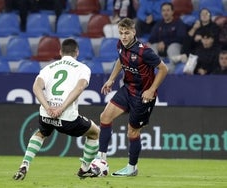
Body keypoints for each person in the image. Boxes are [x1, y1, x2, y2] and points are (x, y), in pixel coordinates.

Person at [13, 38, 100, 180]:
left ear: (60, 52)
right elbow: (79, 88)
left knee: (41, 133)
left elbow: (36, 87)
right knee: (95, 133)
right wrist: (61, 107)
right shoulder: (83, 68)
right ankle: (84, 169)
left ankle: (25, 164)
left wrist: (47, 107)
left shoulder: (48, 68)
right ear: (77, 52)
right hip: (66, 117)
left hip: (46, 115)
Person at [96, 17, 168, 176]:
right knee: (105, 116)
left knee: (132, 132)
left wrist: (151, 90)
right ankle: (100, 159)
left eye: (127, 33)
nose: (123, 36)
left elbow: (164, 69)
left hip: (143, 96)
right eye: (121, 33)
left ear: (134, 32)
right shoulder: (120, 45)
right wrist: (111, 79)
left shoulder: (144, 51)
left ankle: (132, 168)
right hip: (128, 89)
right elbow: (121, 61)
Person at [147, 2, 187, 73]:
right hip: (161, 48)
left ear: (172, 12)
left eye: (168, 10)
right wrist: (149, 43)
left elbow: (181, 38)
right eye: (163, 10)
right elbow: (152, 38)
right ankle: (153, 71)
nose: (165, 13)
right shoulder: (158, 24)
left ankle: (170, 71)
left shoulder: (179, 23)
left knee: (173, 47)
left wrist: (165, 43)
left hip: (175, 47)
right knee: (151, 47)